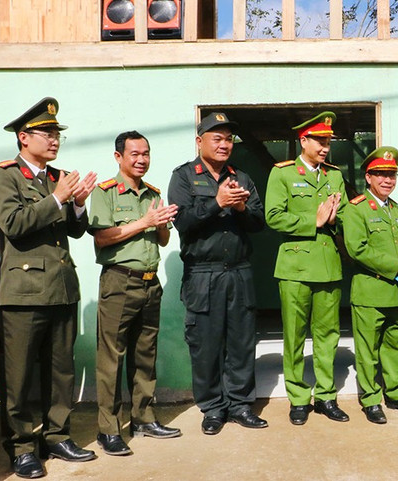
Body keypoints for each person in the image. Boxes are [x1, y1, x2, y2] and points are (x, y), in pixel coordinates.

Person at [0, 97, 98, 478]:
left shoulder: (56, 178)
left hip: (61, 287)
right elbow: (13, 224)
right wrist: (59, 198)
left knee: (61, 370)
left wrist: (77, 204)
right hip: (24, 291)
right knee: (19, 376)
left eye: (56, 133)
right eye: (46, 133)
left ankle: (57, 436)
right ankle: (21, 447)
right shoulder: (3, 176)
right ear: (23, 137)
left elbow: (74, 230)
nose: (54, 139)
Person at [168, 112, 267, 435]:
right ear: (200, 141)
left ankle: (240, 405)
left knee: (241, 342)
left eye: (229, 139)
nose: (225, 144)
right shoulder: (184, 177)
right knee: (206, 345)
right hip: (203, 274)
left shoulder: (242, 177)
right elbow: (182, 222)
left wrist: (240, 208)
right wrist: (217, 202)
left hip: (239, 272)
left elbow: (258, 223)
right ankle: (212, 408)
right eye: (217, 138)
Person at [87, 131, 182, 456]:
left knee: (145, 356)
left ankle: (143, 418)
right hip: (119, 282)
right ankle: (108, 430)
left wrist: (160, 224)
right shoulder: (105, 193)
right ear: (119, 157)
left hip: (150, 283)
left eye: (146, 154)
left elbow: (163, 240)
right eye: (135, 154)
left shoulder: (153, 193)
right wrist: (144, 221)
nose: (142, 160)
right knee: (111, 360)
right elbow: (102, 237)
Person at [264, 112, 349, 426]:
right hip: (295, 266)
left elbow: (343, 216)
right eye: (320, 141)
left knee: (328, 335)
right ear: (304, 140)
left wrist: (334, 220)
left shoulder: (334, 176)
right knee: (294, 335)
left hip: (327, 265)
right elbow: (273, 216)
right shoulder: (283, 173)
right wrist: (313, 221)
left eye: (328, 142)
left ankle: (326, 396)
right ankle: (298, 398)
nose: (325, 148)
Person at [342, 146, 398, 424]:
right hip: (370, 292)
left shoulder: (393, 207)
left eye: (392, 175)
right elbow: (357, 249)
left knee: (394, 347)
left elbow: (389, 244)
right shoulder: (356, 208)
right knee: (368, 352)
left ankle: (396, 394)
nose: (388, 180)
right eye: (381, 174)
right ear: (368, 177)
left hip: (397, 292)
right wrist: (396, 266)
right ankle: (371, 400)